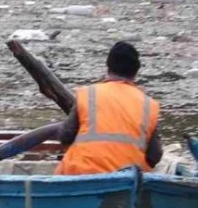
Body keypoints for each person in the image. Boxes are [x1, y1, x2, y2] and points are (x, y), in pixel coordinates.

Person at [56, 42, 163, 175]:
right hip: (128, 181)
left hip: (81, 174)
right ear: (136, 72)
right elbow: (155, 156)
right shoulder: (149, 105)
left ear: (108, 67)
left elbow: (65, 136)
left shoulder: (88, 94)